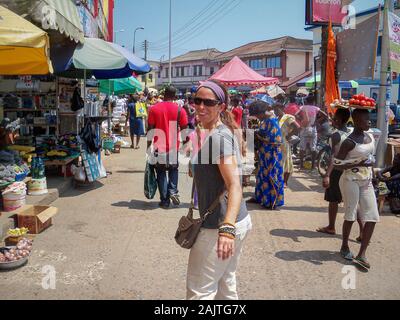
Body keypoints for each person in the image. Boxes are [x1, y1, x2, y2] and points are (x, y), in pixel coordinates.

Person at [187, 79, 252, 300]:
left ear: (221, 107)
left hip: (219, 225)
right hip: (234, 220)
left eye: (208, 102)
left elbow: (235, 185)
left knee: (200, 290)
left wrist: (226, 229)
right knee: (225, 284)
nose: (201, 106)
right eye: (197, 101)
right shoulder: (212, 133)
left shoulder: (219, 137)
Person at [334, 108, 379, 270]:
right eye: (365, 119)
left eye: (369, 119)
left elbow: (370, 158)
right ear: (356, 120)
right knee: (351, 215)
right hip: (350, 179)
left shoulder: (370, 136)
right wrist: (357, 163)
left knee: (373, 216)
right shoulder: (349, 141)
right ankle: (345, 246)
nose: (369, 122)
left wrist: (374, 175)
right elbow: (337, 164)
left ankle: (362, 254)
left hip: (366, 180)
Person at [316, 108, 365, 236]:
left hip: (337, 171)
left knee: (333, 200)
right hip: (350, 170)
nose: (332, 120)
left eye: (334, 118)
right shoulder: (351, 132)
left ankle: (331, 227)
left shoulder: (336, 135)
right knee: (354, 201)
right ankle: (363, 231)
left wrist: (327, 175)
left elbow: (335, 157)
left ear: (337, 120)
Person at [147, 86, 188, 209]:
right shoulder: (180, 110)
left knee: (160, 172)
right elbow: (185, 130)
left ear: (164, 95)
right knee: (173, 169)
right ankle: (173, 191)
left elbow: (150, 129)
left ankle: (165, 201)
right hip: (173, 146)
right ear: (175, 96)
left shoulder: (154, 109)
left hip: (159, 146)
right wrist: (186, 144)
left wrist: (148, 147)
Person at [247, 101, 284, 210]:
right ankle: (260, 198)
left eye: (257, 115)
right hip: (264, 154)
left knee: (271, 176)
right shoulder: (265, 120)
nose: (257, 117)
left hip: (272, 155)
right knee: (261, 176)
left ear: (262, 112)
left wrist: (256, 135)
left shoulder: (272, 121)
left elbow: (274, 140)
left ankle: (271, 202)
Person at [297, 95, 327, 170]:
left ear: (306, 101)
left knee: (302, 148)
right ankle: (313, 166)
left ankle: (301, 165)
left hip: (304, 128)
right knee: (313, 148)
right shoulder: (316, 108)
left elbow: (296, 114)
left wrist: (302, 120)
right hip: (313, 129)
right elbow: (325, 115)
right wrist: (316, 121)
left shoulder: (302, 107)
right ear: (313, 102)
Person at [274, 103, 300, 187]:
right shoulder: (277, 118)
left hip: (285, 142)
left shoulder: (287, 117)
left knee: (287, 162)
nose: (275, 111)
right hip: (277, 143)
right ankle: (279, 180)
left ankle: (285, 182)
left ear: (282, 108)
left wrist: (289, 135)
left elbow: (297, 127)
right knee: (279, 162)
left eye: (277, 109)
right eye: (274, 110)